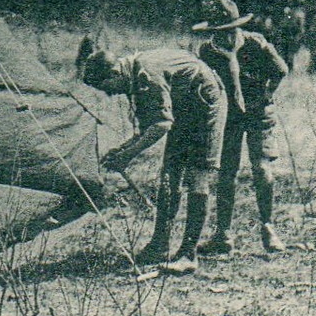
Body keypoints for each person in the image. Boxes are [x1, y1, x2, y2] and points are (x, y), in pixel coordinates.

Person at [77, 38, 228, 275]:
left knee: (197, 177)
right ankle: (160, 245)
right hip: (182, 106)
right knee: (170, 175)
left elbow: (160, 125)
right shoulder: (133, 74)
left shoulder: (146, 75)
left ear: (116, 72)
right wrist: (122, 149)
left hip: (205, 102)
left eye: (109, 88)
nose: (111, 94)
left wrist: (126, 156)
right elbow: (147, 124)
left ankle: (188, 254)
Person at [190, 0, 291, 255]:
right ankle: (223, 234)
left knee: (261, 167)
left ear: (238, 26)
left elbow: (280, 69)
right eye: (220, 32)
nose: (227, 37)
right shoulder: (207, 53)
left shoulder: (255, 43)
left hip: (259, 113)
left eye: (231, 30)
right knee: (226, 172)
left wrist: (265, 94)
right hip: (229, 117)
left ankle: (268, 228)